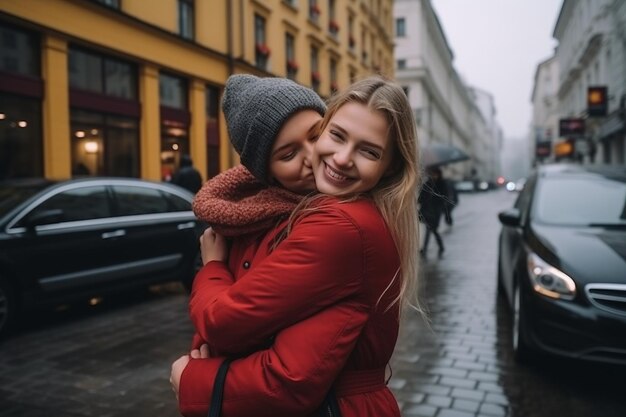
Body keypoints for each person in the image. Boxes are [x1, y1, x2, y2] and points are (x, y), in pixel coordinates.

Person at [171, 76, 421, 417]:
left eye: (368, 150)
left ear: (389, 163)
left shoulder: (338, 225)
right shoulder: (265, 214)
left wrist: (191, 378)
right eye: (335, 136)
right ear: (265, 170)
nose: (341, 158)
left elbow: (279, 367)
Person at [187, 74, 326, 350]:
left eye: (318, 135)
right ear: (267, 174)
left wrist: (212, 267)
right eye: (288, 155)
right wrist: (201, 348)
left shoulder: (335, 219)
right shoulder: (245, 221)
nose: (312, 157)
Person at [419, 166, 448, 257]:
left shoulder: (442, 184)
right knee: (429, 229)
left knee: (433, 230)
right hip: (427, 210)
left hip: (436, 211)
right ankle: (426, 248)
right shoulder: (427, 183)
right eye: (433, 174)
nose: (434, 176)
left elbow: (444, 198)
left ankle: (437, 247)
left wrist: (436, 197)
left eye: (436, 174)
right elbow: (421, 197)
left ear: (439, 174)